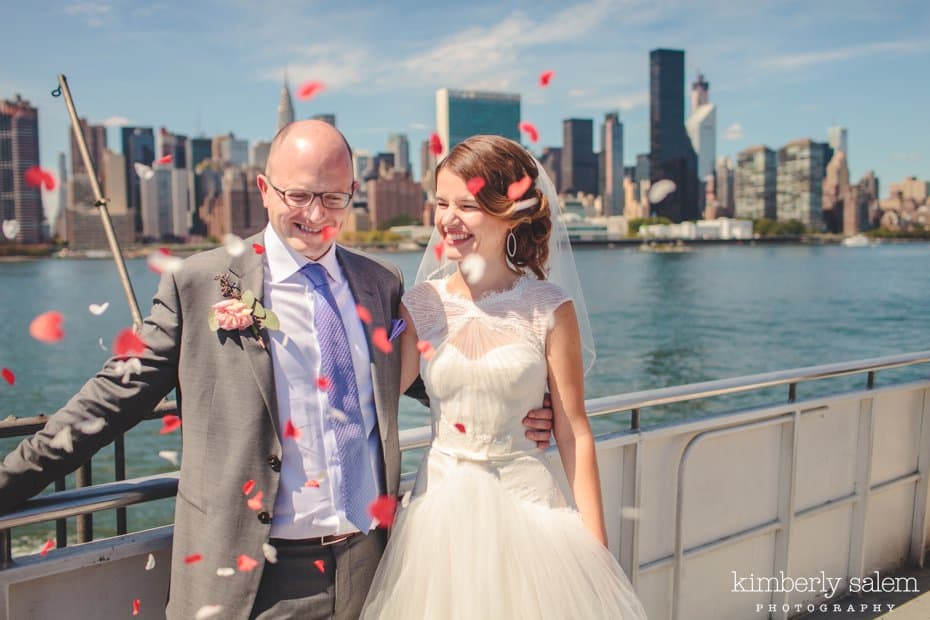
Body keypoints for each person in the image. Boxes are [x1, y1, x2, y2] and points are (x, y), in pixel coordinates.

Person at [0, 121, 553, 619]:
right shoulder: (200, 284)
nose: (315, 214)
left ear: (353, 196)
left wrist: (518, 408)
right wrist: (8, 483)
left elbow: (417, 376)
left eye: (332, 197)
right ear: (265, 191)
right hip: (253, 576)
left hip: (373, 567)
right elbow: (111, 398)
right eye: (299, 195)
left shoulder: (380, 283)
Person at [360, 135, 649, 619]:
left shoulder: (549, 307)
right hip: (438, 520)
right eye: (441, 203)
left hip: (528, 509)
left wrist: (597, 553)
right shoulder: (419, 305)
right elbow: (376, 393)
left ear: (509, 212)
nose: (448, 220)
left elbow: (574, 429)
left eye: (467, 205)